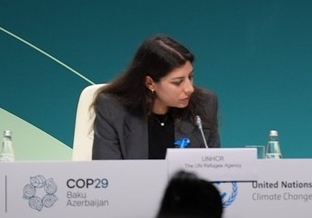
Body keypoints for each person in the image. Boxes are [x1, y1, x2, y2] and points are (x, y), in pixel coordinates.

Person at [92, 35, 220, 159]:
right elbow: (107, 172)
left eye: (190, 77)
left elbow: (214, 170)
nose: (189, 89)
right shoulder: (112, 108)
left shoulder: (205, 104)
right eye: (177, 82)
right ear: (150, 83)